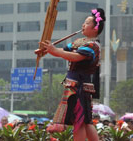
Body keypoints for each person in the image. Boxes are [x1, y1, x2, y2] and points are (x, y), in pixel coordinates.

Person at [38, 8, 104, 141]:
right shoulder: (80, 42)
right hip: (74, 86)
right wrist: (48, 49)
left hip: (79, 88)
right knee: (85, 121)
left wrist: (54, 50)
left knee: (79, 120)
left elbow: (75, 57)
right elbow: (65, 50)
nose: (83, 25)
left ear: (95, 28)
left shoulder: (93, 46)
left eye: (86, 23)